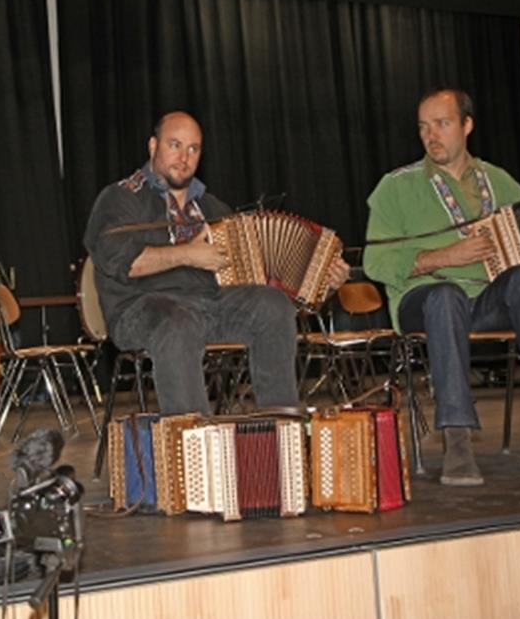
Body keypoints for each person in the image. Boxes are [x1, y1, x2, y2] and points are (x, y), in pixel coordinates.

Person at [363, 88, 520, 486]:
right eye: (423, 127)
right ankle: (456, 438)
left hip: (488, 298)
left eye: (442, 124)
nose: (431, 136)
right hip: (424, 298)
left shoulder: (503, 184)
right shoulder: (395, 186)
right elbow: (374, 262)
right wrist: (445, 256)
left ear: (467, 125)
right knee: (445, 297)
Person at [83, 110, 349, 415]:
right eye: (175, 145)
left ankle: (278, 429)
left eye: (193, 149)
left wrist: (320, 283)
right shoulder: (119, 198)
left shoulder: (213, 208)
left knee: (271, 305)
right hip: (140, 308)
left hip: (209, 305)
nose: (184, 157)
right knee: (177, 321)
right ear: (153, 146)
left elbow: (255, 277)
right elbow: (121, 262)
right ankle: (194, 443)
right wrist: (187, 253)